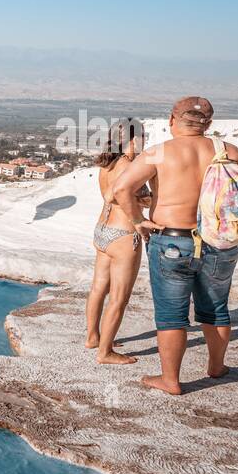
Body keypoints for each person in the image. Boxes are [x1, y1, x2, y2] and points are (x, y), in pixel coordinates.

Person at [113, 96, 238, 395]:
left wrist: (138, 220)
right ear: (208, 124)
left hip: (172, 241)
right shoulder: (227, 151)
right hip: (219, 242)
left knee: (171, 315)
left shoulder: (159, 153)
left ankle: (170, 380)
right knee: (216, 310)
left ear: (171, 120)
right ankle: (216, 366)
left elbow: (121, 188)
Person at [84, 120, 146, 364]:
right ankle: (106, 352)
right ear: (132, 140)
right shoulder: (130, 165)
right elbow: (119, 195)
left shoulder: (106, 164)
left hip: (102, 230)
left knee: (99, 287)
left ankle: (93, 337)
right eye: (142, 138)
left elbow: (113, 196)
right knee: (119, 297)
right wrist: (140, 217)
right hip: (123, 234)